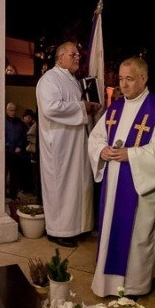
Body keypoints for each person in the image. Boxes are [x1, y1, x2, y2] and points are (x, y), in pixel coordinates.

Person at [87, 57, 155, 297]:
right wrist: (101, 150)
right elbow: (96, 137)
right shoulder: (115, 108)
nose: (123, 85)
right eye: (121, 79)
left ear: (143, 79)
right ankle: (107, 283)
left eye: (129, 79)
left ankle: (134, 286)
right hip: (113, 184)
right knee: (110, 231)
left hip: (139, 186)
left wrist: (132, 155)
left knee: (138, 236)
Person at [36, 41, 101, 247]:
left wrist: (89, 108)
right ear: (60, 57)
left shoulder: (73, 81)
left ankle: (77, 227)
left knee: (79, 185)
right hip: (59, 145)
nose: (77, 58)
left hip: (77, 142)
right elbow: (50, 108)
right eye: (73, 55)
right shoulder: (49, 79)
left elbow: (78, 107)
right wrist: (82, 107)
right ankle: (58, 231)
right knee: (62, 187)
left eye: (78, 55)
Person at [4, 102, 29, 199]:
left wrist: (19, 146)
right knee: (3, 173)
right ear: (7, 110)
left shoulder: (20, 123)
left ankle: (13, 194)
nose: (13, 112)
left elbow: (24, 137)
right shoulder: (2, 121)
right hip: (5, 152)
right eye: (11, 110)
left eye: (15, 110)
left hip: (16, 152)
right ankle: (3, 194)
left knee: (14, 174)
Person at [24, 109, 41, 199]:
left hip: (36, 152)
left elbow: (29, 135)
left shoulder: (36, 125)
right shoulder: (36, 125)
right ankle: (36, 192)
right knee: (35, 173)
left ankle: (37, 192)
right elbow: (29, 135)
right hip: (35, 152)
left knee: (36, 173)